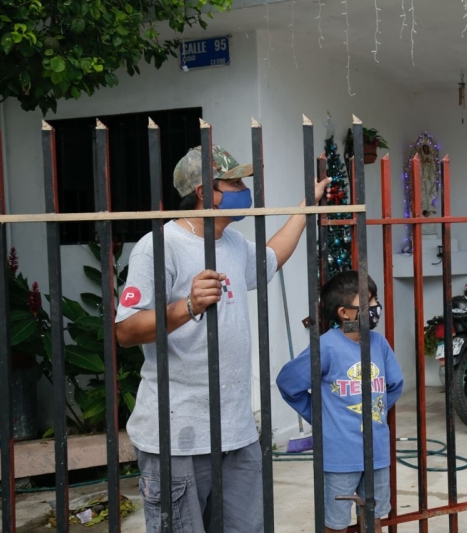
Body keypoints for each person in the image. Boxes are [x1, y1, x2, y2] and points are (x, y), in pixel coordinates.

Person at [115, 144, 328, 533]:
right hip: (178, 438)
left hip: (236, 433)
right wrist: (188, 306)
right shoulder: (159, 247)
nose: (244, 190)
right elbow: (126, 330)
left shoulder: (232, 244)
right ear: (204, 192)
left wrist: (305, 206)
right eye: (235, 183)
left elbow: (271, 258)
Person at [276, 271, 404, 533]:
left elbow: (394, 384)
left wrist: (374, 411)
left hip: (377, 453)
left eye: (375, 300)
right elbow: (289, 383)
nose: (376, 307)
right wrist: (321, 414)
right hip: (339, 456)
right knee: (335, 523)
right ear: (344, 313)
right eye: (367, 302)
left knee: (373, 518)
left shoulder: (379, 344)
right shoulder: (326, 347)